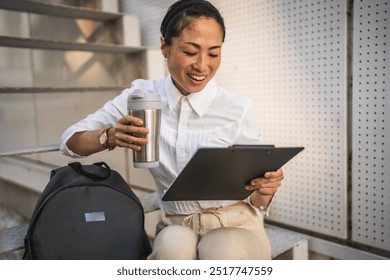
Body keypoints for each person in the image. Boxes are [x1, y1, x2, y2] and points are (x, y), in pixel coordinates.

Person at [60, 0, 284, 260]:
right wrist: (108, 136)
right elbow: (70, 142)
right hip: (179, 223)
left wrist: (265, 190)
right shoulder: (141, 96)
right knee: (172, 248)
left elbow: (255, 199)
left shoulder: (237, 108)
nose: (202, 65)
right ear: (164, 46)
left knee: (221, 249)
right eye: (190, 51)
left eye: (213, 53)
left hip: (236, 224)